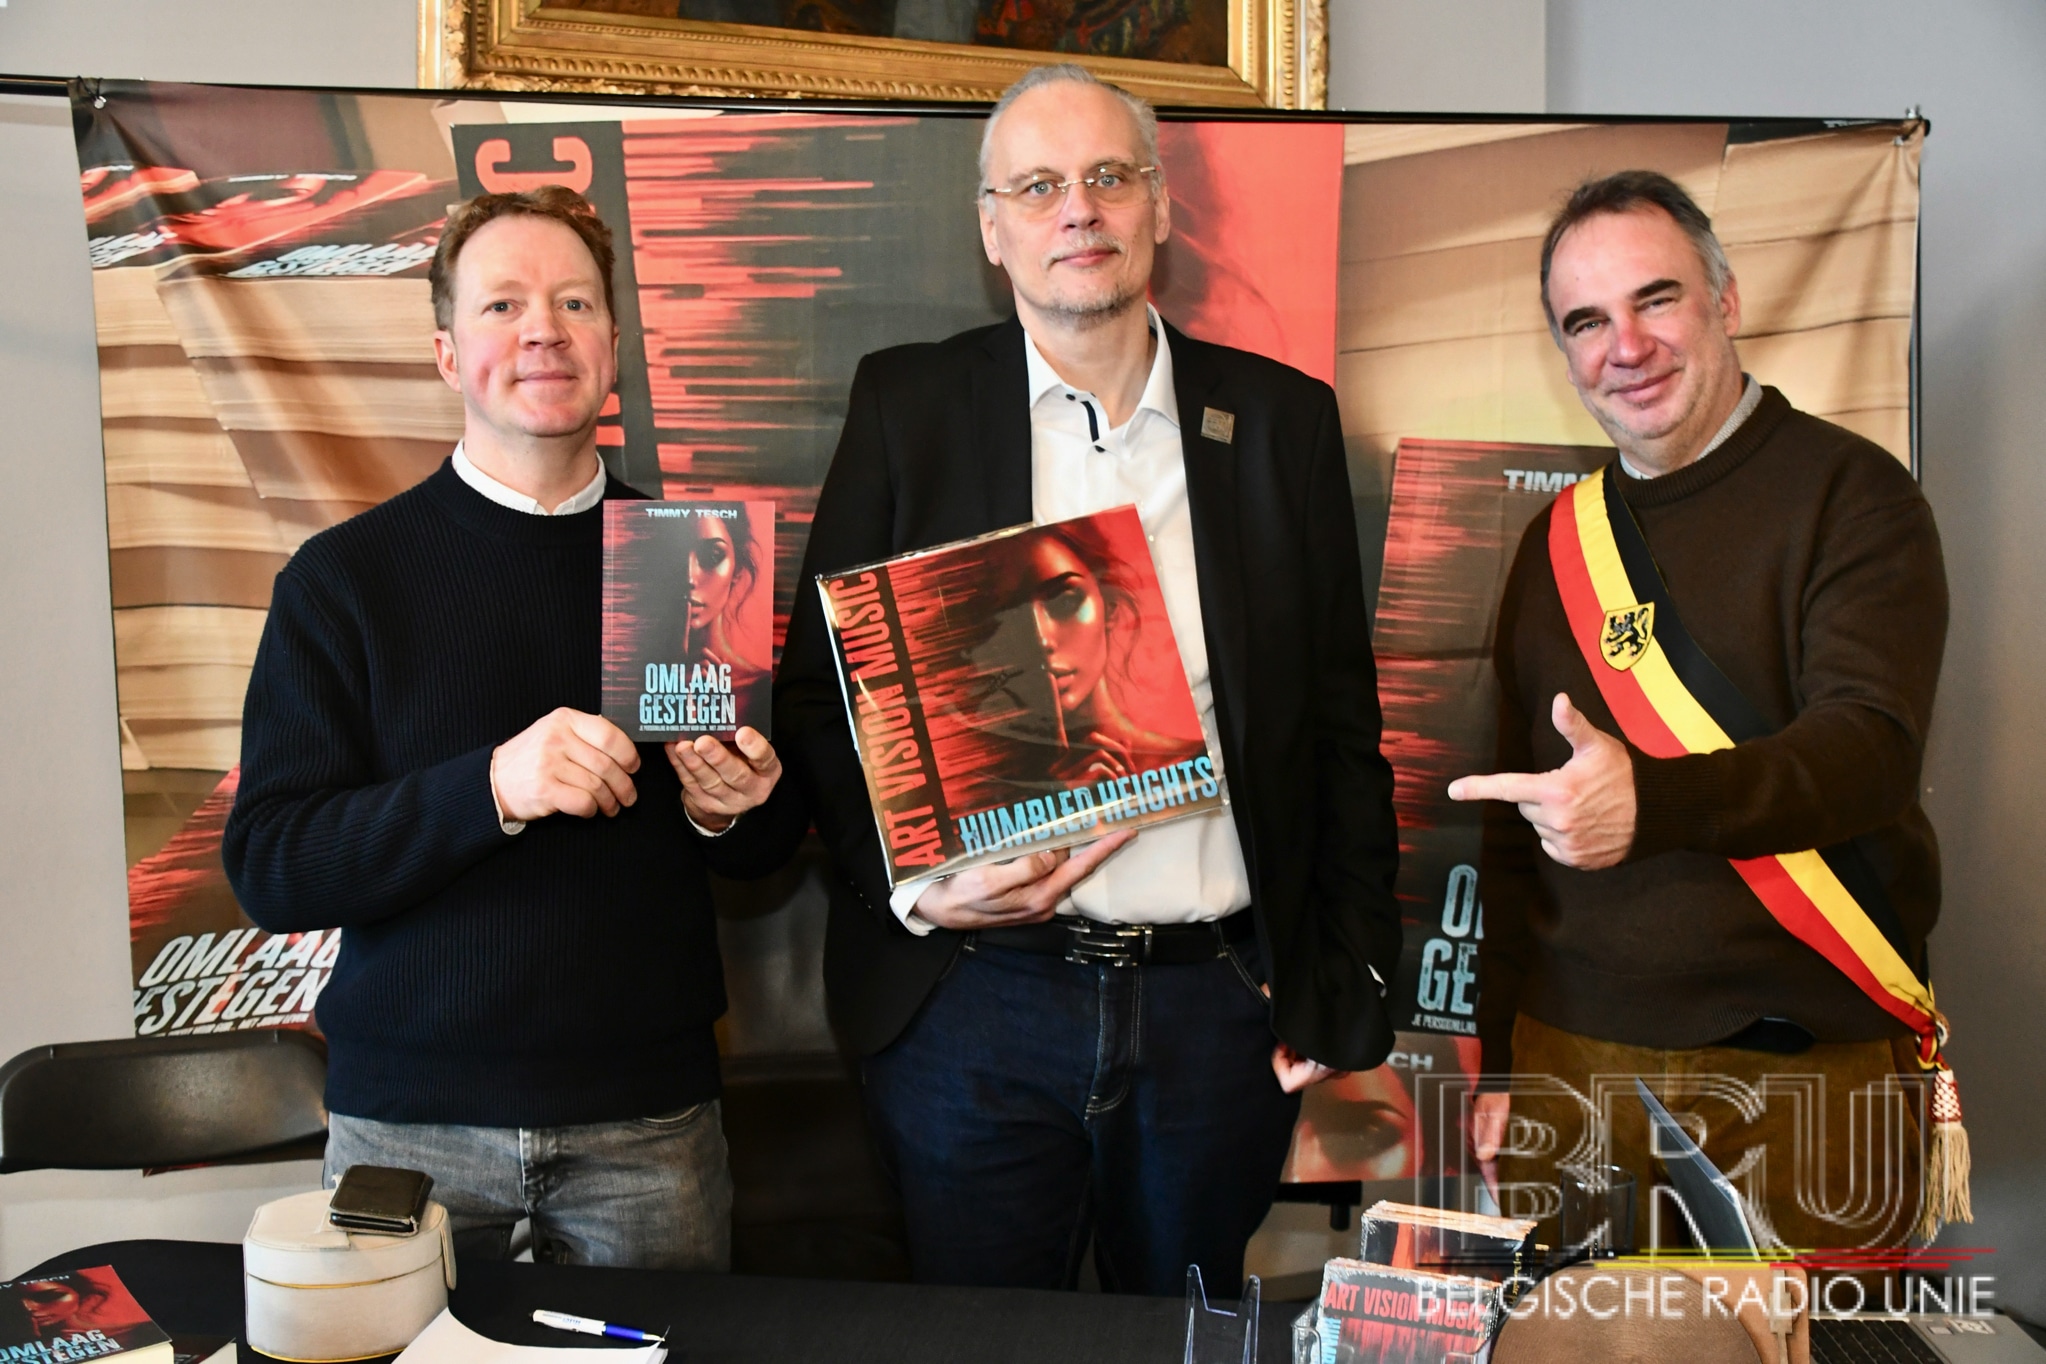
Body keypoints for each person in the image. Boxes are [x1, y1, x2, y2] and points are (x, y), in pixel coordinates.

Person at [776, 63, 1400, 1294]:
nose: (1080, 210)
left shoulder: (1280, 423)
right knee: (979, 1340)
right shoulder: (912, 407)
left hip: (1212, 1006)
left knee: (1182, 1333)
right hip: (974, 1003)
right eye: (1041, 185)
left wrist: (1343, 987)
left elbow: (1340, 724)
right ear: (993, 225)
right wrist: (915, 890)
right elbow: (818, 697)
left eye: (1110, 177)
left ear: (1161, 207)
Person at [223, 185, 805, 1269]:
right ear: (448, 353)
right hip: (408, 1133)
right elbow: (273, 862)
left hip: (649, 1128)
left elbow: (767, 849)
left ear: (614, 347)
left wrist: (737, 811)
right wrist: (489, 785)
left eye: (574, 302)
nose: (544, 328)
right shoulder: (346, 582)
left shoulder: (693, 561)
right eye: (503, 305)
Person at [1449, 170, 1949, 1253]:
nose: (1624, 345)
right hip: (1567, 1062)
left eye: (1656, 299)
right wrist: (1496, 1058)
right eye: (1586, 321)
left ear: (1726, 301)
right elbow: (1509, 837)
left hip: (1802, 1062)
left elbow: (1870, 752)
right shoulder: (1554, 545)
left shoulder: (1856, 496)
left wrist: (1655, 799)